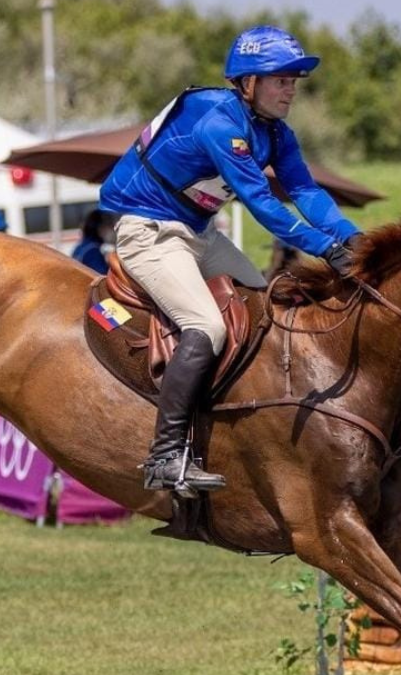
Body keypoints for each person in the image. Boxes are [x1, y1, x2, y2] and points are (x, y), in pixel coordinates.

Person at [99, 25, 363, 494]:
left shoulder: (276, 133)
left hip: (199, 233)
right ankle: (165, 456)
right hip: (148, 232)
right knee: (209, 327)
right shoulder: (221, 124)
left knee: (264, 309)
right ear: (248, 83)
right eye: (281, 80)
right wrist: (323, 248)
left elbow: (304, 190)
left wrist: (356, 241)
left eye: (294, 81)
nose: (291, 91)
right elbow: (261, 201)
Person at [71, 209, 117, 274]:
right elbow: (103, 277)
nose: (112, 230)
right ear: (99, 228)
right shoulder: (92, 251)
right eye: (109, 226)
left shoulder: (80, 247)